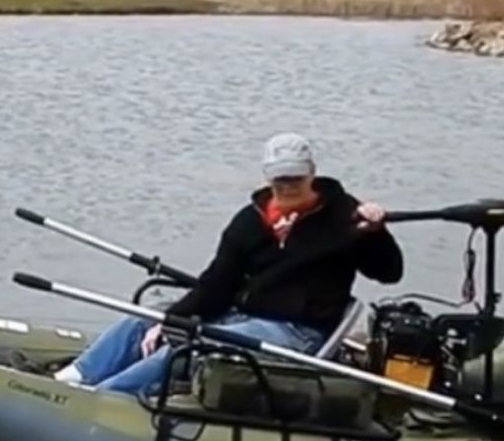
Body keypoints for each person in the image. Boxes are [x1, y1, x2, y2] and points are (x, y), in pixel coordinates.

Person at [55, 132, 404, 394]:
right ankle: (71, 380)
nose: (289, 186)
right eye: (281, 178)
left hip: (297, 331)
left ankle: (105, 399)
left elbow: (389, 273)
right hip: (241, 316)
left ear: (312, 173)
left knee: (196, 344)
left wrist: (376, 233)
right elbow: (216, 285)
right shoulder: (249, 222)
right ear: (268, 176)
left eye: (296, 177)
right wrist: (170, 320)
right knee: (142, 322)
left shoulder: (345, 216)